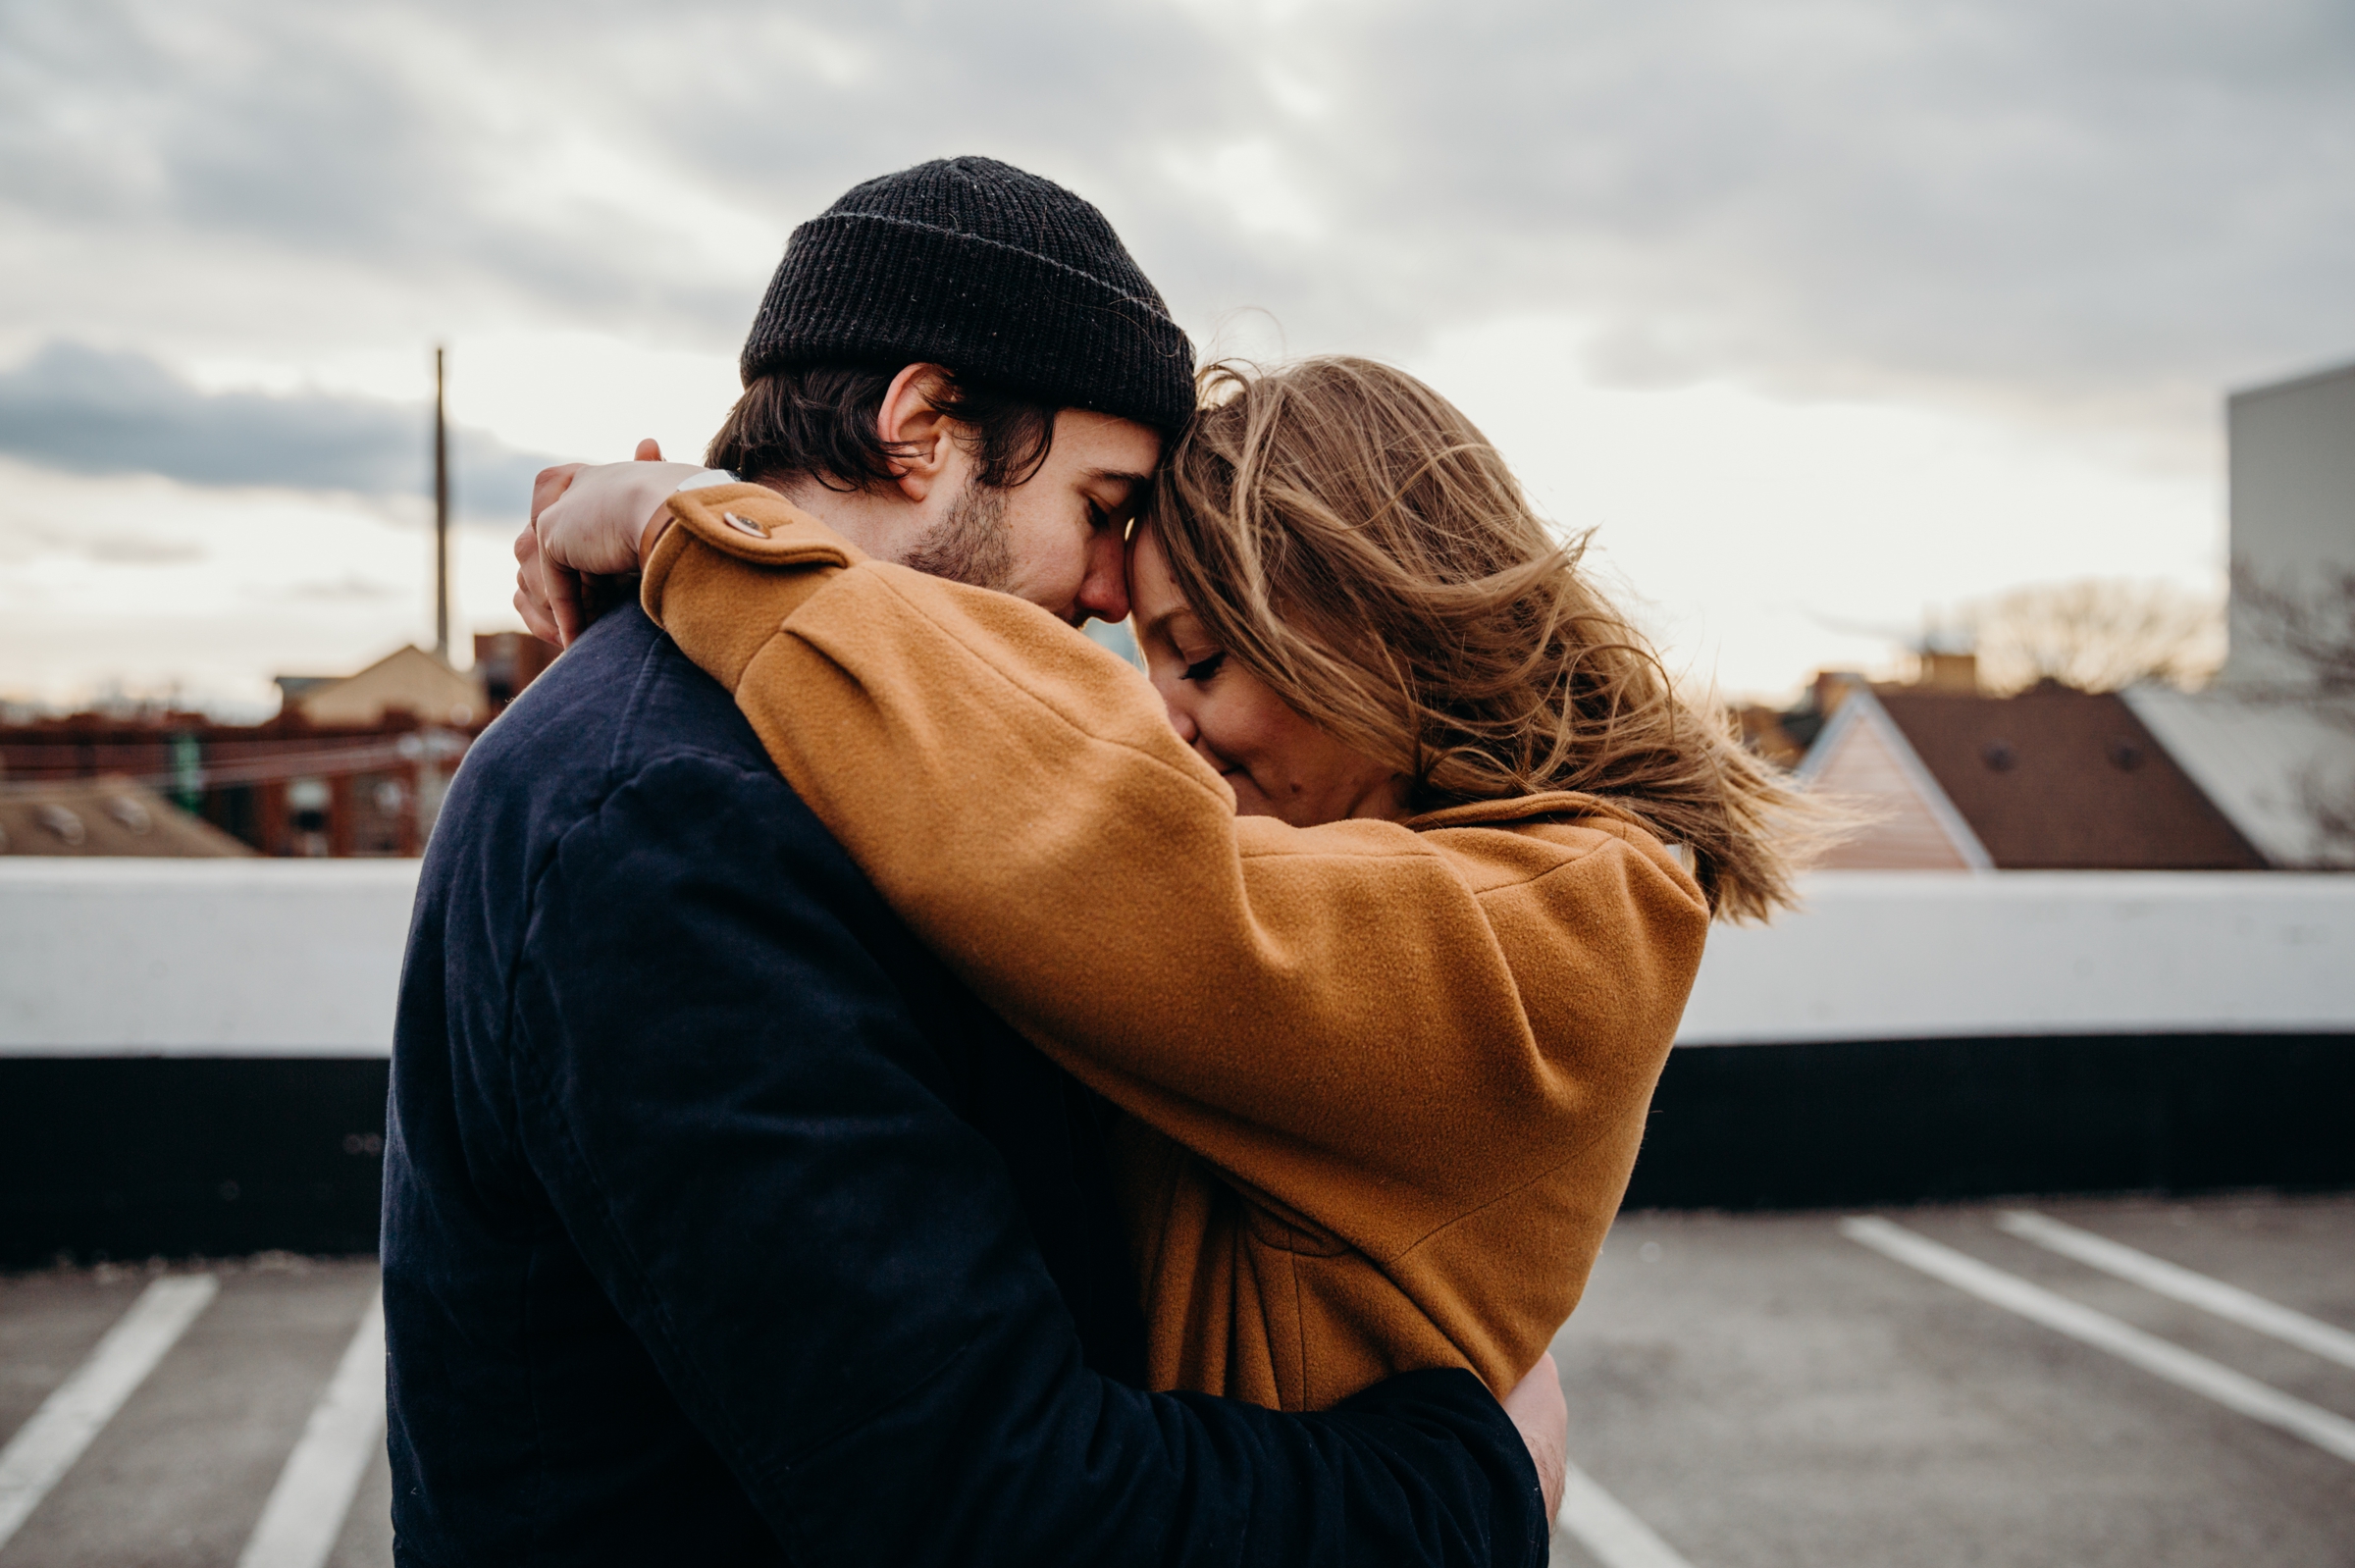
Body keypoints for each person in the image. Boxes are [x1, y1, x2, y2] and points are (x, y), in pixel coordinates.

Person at [386, 157, 1562, 1568]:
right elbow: (997, 1509)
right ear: (922, 426)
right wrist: (1473, 1479)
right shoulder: (673, 813)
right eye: (1105, 502)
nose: (1121, 588)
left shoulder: (829, 765)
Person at [521, 356, 1817, 1423]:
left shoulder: (1590, 915)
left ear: (1371, 617)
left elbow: (1131, 857)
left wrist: (698, 528)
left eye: (1196, 656)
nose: (1170, 721)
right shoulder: (1422, 861)